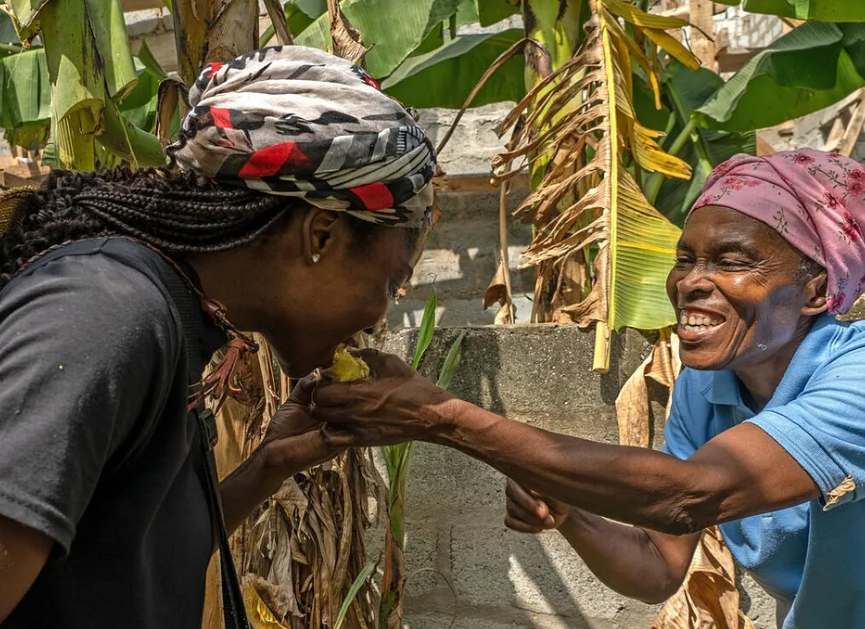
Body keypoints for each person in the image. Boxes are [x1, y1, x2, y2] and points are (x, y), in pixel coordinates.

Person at [0, 46, 436, 629]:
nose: (378, 318)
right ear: (320, 236)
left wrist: (268, 466)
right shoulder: (108, 316)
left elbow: (115, 557)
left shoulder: (171, 315)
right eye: (390, 283)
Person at [309, 149, 865, 629]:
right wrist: (572, 512)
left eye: (732, 261)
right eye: (686, 258)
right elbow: (658, 566)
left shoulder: (856, 376)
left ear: (816, 291)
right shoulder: (710, 386)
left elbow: (690, 495)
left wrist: (442, 418)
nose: (693, 281)